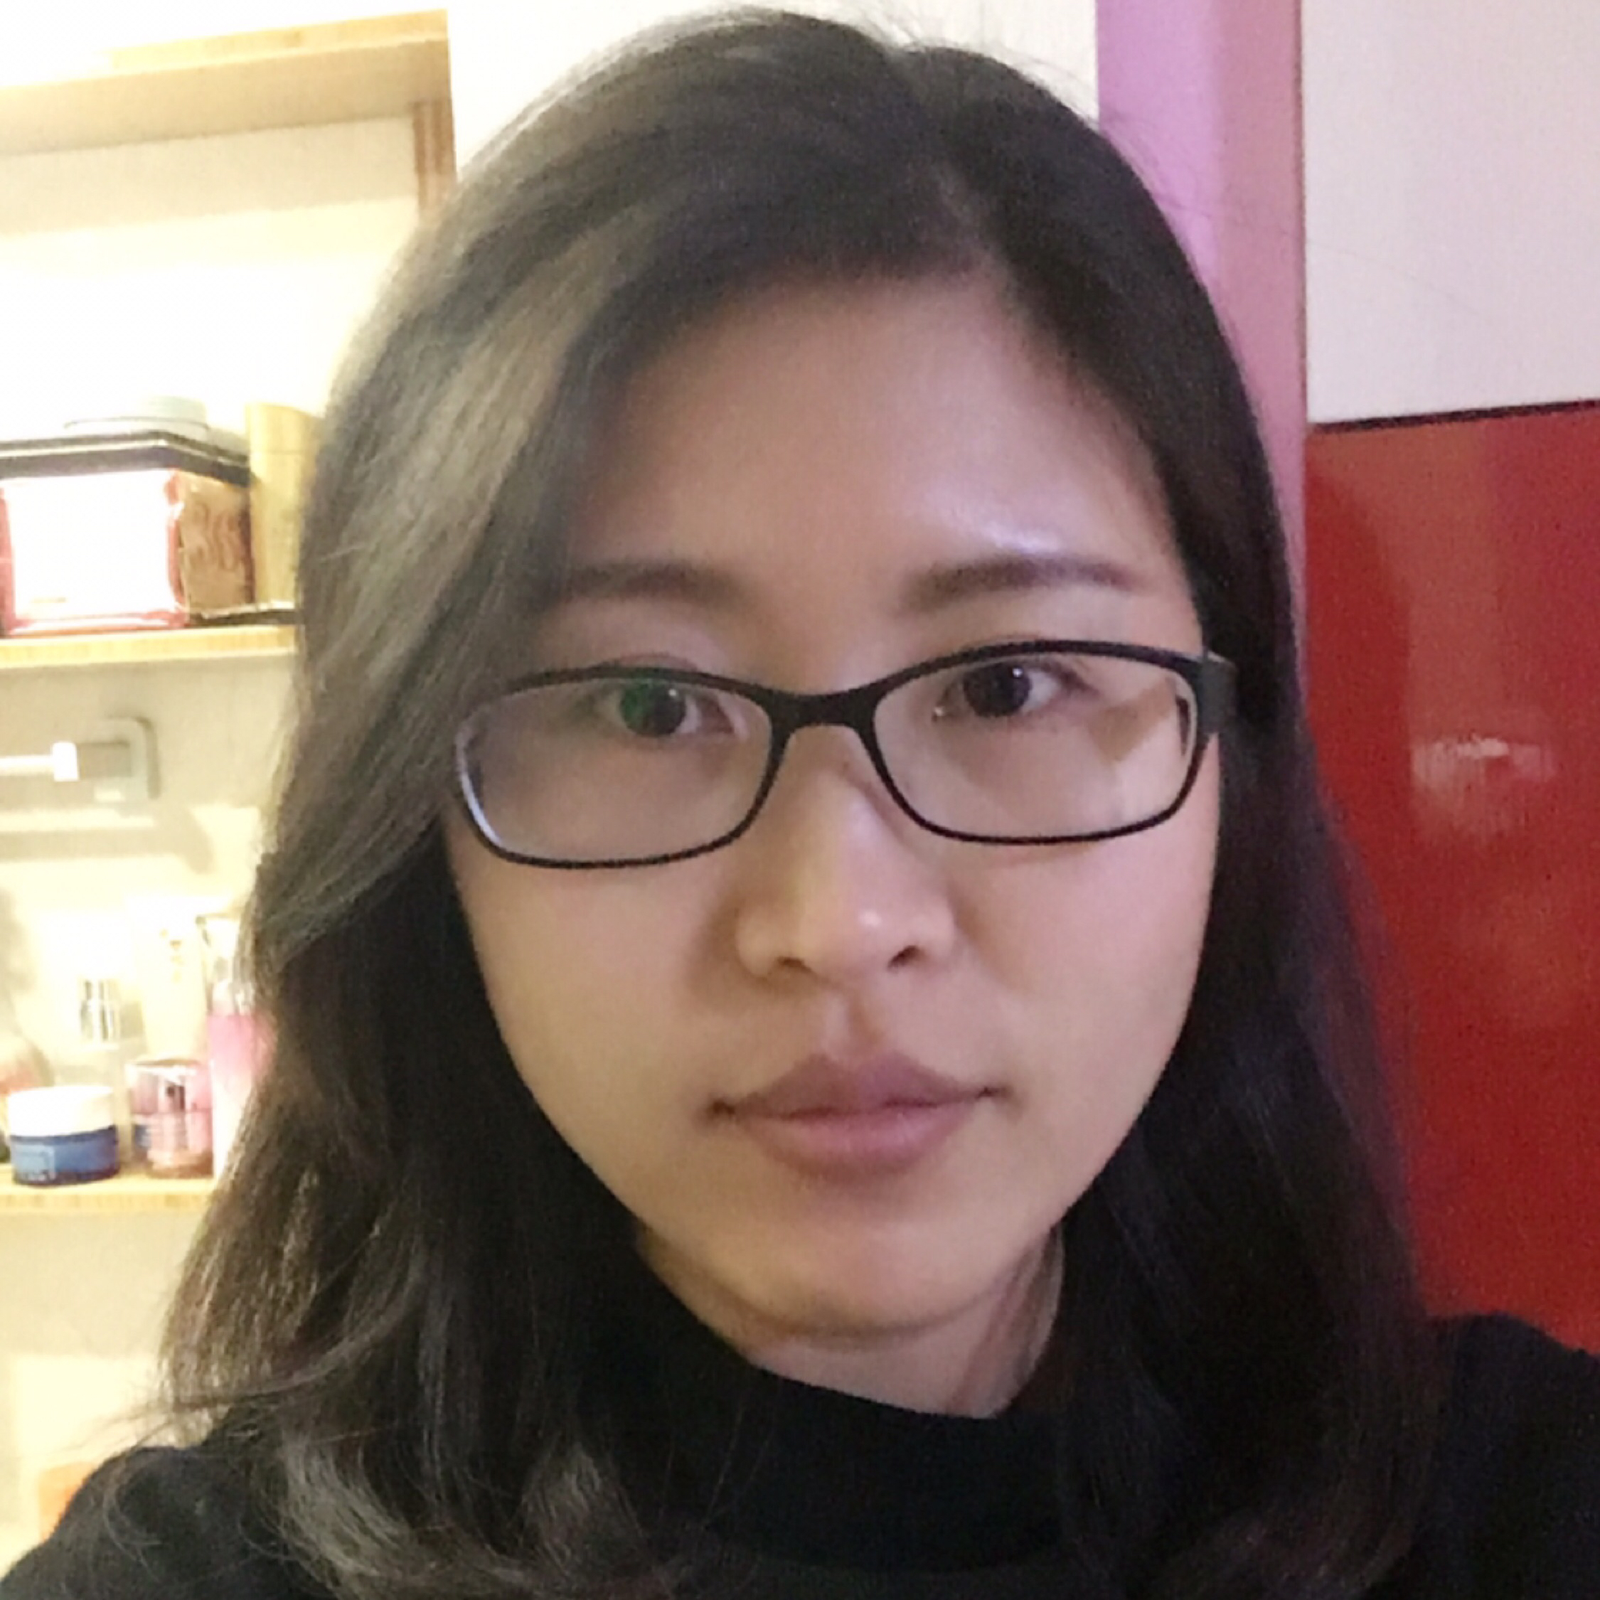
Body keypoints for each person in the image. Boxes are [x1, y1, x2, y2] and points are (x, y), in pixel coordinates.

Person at [6, 12, 1597, 1599]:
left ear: (1227, 770)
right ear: (417, 824)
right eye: (647, 705)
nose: (841, 923)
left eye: (1007, 686)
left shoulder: (1523, 1508)